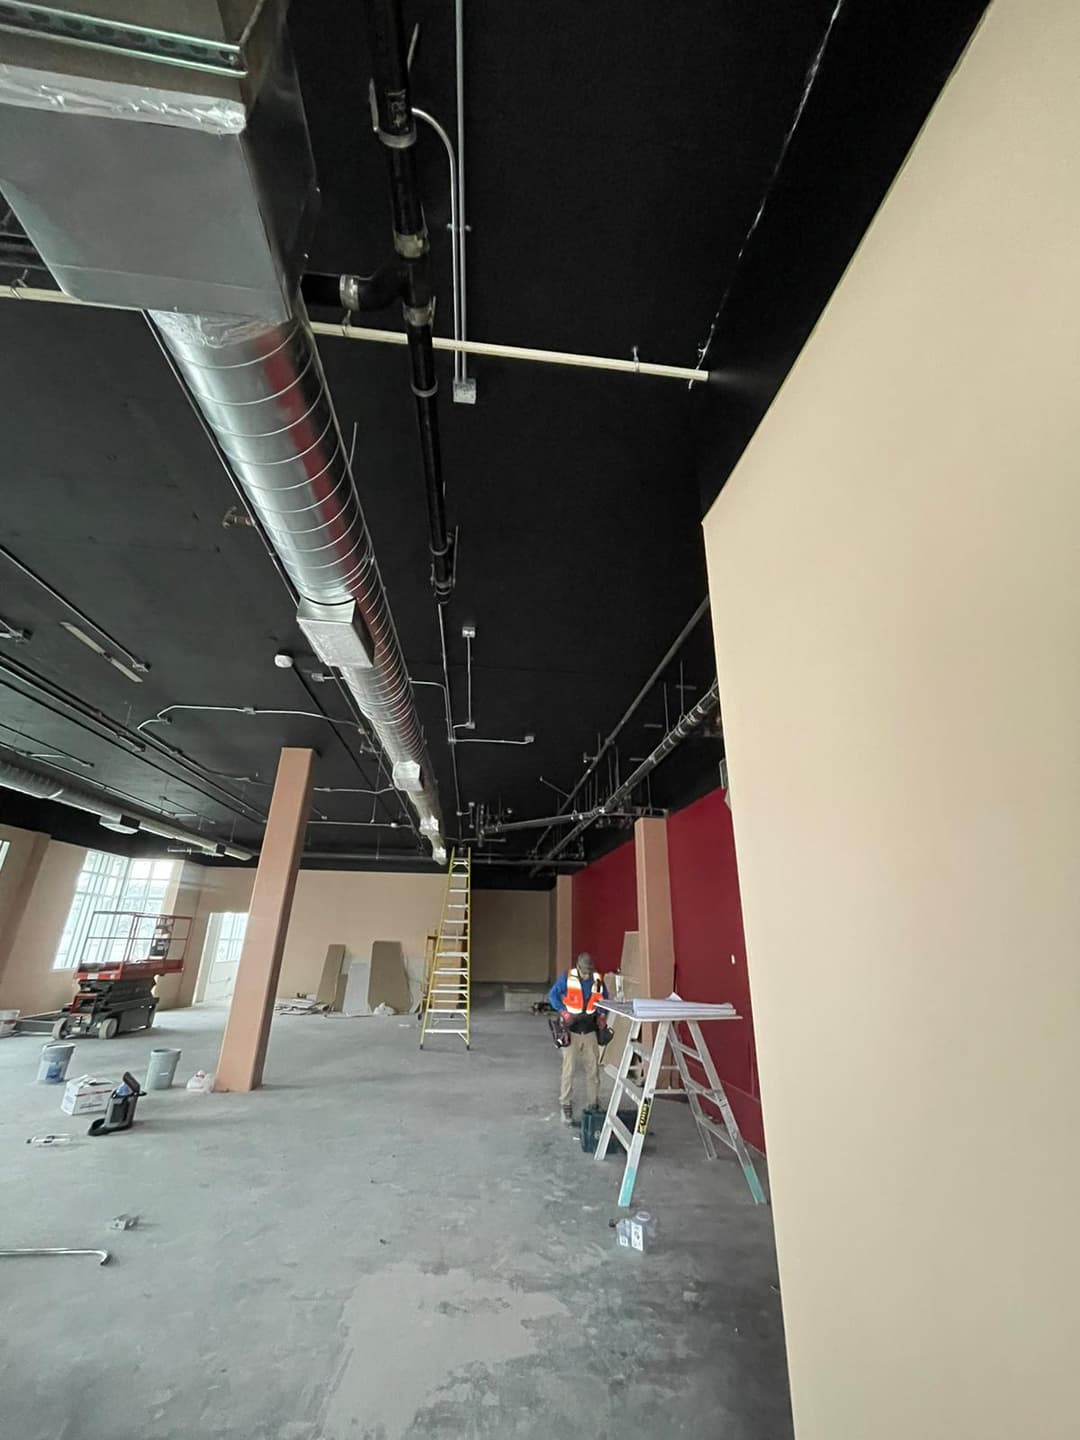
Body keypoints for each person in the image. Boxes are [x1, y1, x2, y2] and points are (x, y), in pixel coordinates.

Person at [548, 952, 610, 1125]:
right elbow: (552, 995)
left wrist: (603, 1015)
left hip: (590, 1030)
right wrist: (563, 1011)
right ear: (578, 967)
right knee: (569, 1070)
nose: (586, 975)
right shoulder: (567, 978)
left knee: (593, 1071)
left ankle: (593, 1104)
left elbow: (605, 999)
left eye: (588, 972)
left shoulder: (597, 980)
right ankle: (565, 1105)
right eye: (584, 972)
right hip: (571, 1030)